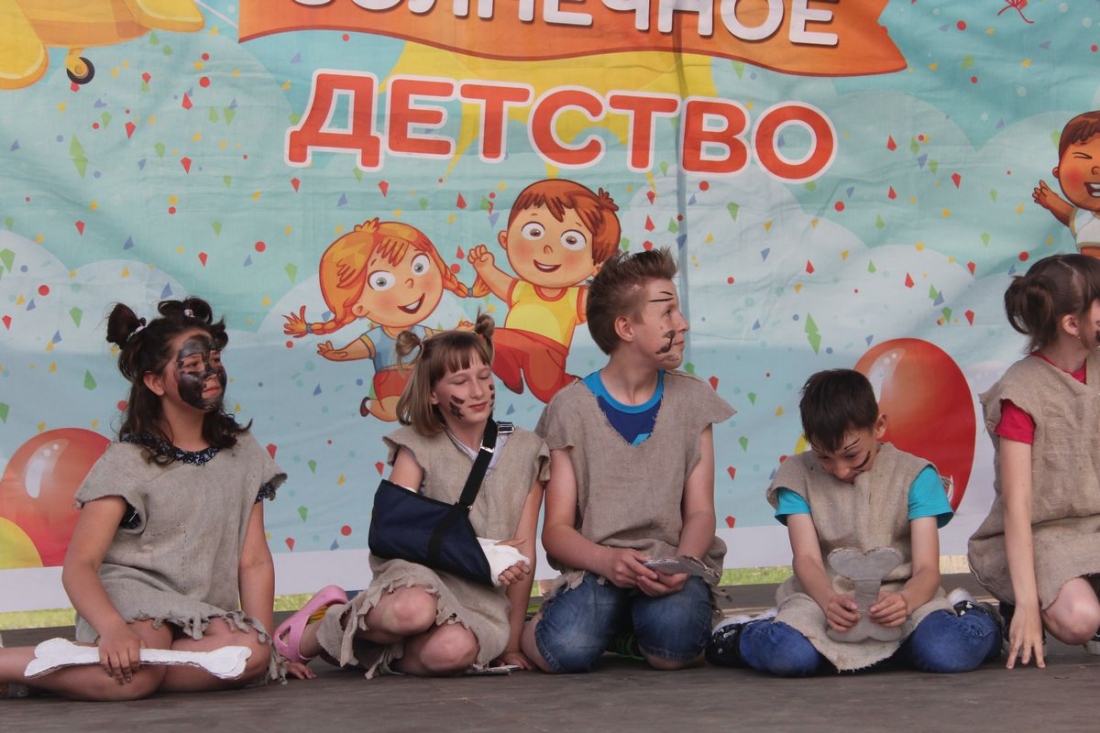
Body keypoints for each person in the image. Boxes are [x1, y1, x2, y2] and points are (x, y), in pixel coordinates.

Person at [0, 297, 285, 700]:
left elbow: (253, 560)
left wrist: (268, 648)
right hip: (131, 599)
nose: (210, 373)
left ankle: (83, 668)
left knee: (250, 654)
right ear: (155, 383)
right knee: (136, 670)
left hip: (199, 612)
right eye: (193, 365)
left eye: (215, 360)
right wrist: (113, 629)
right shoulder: (127, 462)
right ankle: (11, 664)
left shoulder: (244, 453)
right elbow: (79, 565)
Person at [275, 315, 548, 677]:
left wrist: (511, 645)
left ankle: (378, 652)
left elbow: (523, 555)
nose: (478, 391)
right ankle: (322, 630)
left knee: (452, 652)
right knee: (414, 610)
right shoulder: (417, 444)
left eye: (484, 377)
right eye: (460, 382)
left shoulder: (528, 449)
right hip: (419, 577)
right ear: (433, 394)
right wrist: (479, 550)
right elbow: (395, 529)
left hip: (481, 594)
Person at [520, 246, 734, 673]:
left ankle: (627, 631)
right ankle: (588, 621)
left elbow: (700, 512)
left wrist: (684, 564)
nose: (683, 323)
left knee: (674, 650)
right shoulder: (570, 409)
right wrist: (606, 561)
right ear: (625, 327)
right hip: (597, 570)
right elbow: (557, 532)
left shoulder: (693, 399)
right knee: (562, 651)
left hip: (667, 563)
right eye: (668, 312)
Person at [707, 369, 1002, 676]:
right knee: (788, 655)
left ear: (879, 426)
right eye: (824, 457)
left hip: (903, 594)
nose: (840, 470)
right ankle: (744, 634)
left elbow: (927, 569)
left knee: (950, 651)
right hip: (821, 595)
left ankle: (976, 616)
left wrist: (904, 601)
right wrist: (828, 602)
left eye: (852, 456)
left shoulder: (915, 475)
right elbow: (807, 559)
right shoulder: (797, 475)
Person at [968, 253, 1100, 668]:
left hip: (1095, 526)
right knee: (1080, 619)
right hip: (1045, 534)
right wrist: (1027, 602)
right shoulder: (1021, 391)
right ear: (1072, 324)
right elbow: (1018, 506)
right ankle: (1020, 604)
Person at [284, 219, 470, 420]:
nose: (409, 282)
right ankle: (370, 405)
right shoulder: (378, 337)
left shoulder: (421, 332)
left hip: (421, 378)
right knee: (391, 412)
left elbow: (439, 338)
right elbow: (358, 349)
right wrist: (337, 354)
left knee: (438, 405)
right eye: (381, 281)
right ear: (357, 306)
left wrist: (458, 331)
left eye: (419, 266)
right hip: (389, 380)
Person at [467, 179, 621, 403]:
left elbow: (608, 302)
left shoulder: (576, 297)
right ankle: (512, 377)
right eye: (534, 232)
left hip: (549, 352)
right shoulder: (523, 289)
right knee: (488, 339)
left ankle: (589, 391)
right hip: (515, 343)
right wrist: (485, 268)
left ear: (596, 265)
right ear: (505, 240)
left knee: (548, 391)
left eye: (571, 240)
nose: (548, 248)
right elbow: (499, 282)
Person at [1033, 111, 1100, 258]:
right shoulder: (1085, 218)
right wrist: (1052, 202)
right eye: (1084, 158)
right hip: (1088, 271)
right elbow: (1071, 215)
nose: (1097, 169)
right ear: (1058, 172)